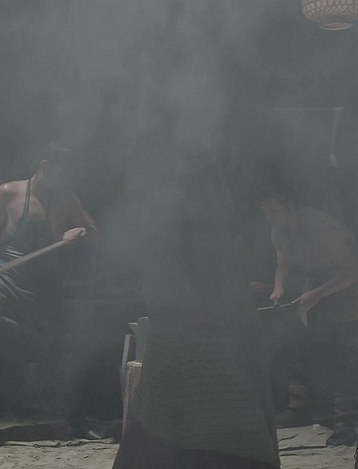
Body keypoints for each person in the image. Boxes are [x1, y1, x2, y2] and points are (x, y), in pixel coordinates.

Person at [113, 148, 280, 469]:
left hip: (217, 351)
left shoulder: (208, 229)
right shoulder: (173, 229)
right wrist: (200, 317)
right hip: (192, 353)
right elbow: (165, 290)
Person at [0, 143, 98, 445]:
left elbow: (93, 232)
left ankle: (77, 424)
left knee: (63, 355)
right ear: (45, 166)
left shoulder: (66, 198)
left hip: (45, 285)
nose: (65, 180)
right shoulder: (8, 192)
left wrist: (80, 233)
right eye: (61, 174)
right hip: (5, 282)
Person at [261, 193, 358, 446]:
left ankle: (345, 423)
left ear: (290, 207)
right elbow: (283, 263)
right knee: (309, 346)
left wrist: (315, 295)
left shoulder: (324, 228)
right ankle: (302, 407)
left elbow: (352, 271)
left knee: (346, 354)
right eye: (266, 213)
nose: (269, 218)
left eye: (273, 211)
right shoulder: (278, 232)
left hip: (348, 289)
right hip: (316, 287)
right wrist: (278, 287)